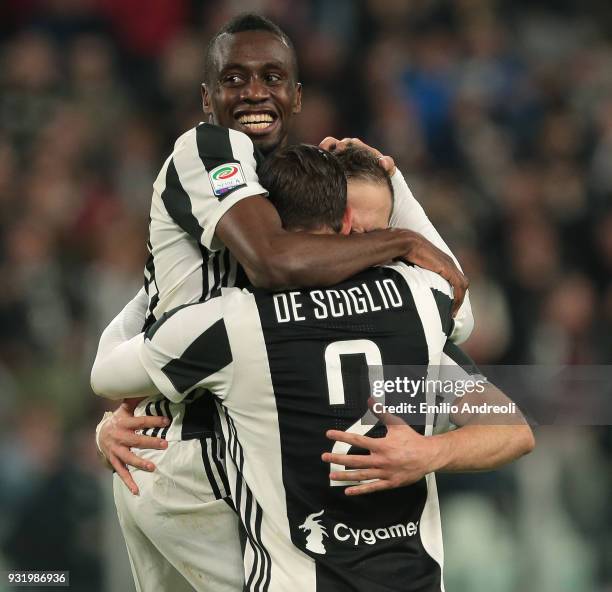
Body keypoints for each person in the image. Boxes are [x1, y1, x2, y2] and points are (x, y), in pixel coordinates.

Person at [94, 13, 473, 591]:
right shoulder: (208, 148)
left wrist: (397, 190)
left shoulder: (272, 190)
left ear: (298, 97)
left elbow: (143, 310)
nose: (253, 92)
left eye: (272, 77)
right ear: (206, 99)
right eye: (235, 78)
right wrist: (399, 234)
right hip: (206, 467)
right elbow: (272, 261)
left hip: (173, 455)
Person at [92, 145, 534, 592]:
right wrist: (399, 201)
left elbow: (106, 373)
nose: (369, 246)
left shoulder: (230, 321)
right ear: (342, 223)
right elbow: (472, 328)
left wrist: (155, 286)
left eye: (379, 231)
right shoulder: (417, 302)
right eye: (364, 231)